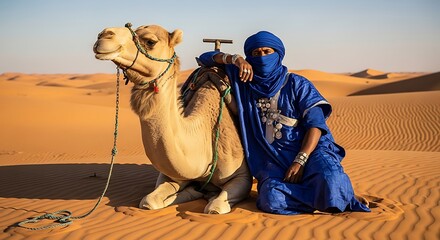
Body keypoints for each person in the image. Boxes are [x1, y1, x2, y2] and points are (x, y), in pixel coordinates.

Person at [196, 31, 370, 215]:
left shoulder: (297, 84)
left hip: (310, 152)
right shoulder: (244, 82)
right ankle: (329, 199)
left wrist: (300, 160)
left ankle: (334, 194)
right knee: (270, 199)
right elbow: (205, 59)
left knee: (331, 179)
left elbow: (316, 126)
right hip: (273, 161)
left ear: (278, 54)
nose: (262, 57)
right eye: (256, 54)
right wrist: (235, 59)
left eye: (267, 51)